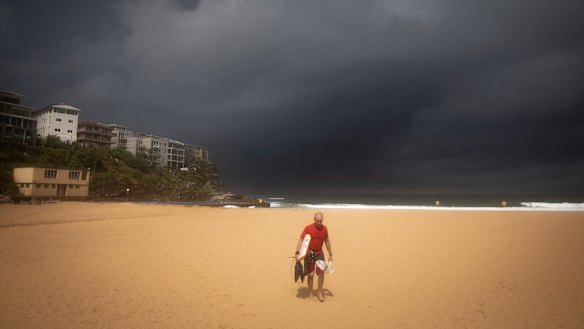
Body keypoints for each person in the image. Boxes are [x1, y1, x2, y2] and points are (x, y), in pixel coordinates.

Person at [295, 212, 333, 300]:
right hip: (309, 253)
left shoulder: (325, 229)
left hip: (319, 253)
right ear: (314, 219)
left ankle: (319, 292)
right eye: (318, 221)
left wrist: (330, 253)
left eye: (321, 221)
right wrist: (297, 252)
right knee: (310, 274)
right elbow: (301, 239)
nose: (319, 222)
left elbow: (327, 241)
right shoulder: (308, 228)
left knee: (321, 273)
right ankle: (310, 292)